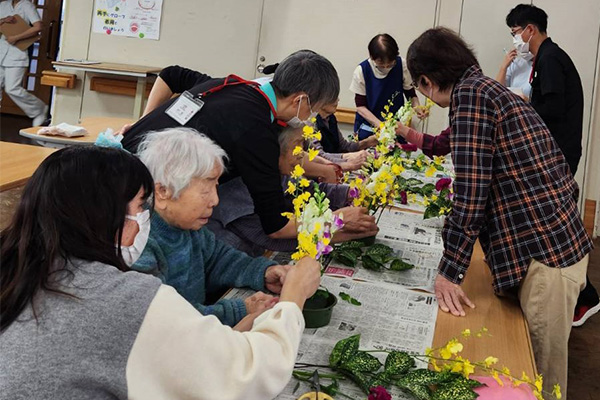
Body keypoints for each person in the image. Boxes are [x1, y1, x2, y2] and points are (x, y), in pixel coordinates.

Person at [0, 145, 321, 399]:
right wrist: (293, 298)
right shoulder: (123, 298)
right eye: (141, 206)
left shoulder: (21, 265)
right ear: (104, 215)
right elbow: (248, 377)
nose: (145, 217)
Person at [406, 27, 593, 396]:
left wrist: (449, 272)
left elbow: (471, 194)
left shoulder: (472, 97)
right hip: (549, 245)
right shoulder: (482, 90)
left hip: (548, 258)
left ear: (427, 80)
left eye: (419, 86)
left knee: (539, 381)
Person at [122, 51, 377, 246]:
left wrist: (144, 123)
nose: (311, 119)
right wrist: (336, 221)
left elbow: (172, 73)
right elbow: (276, 226)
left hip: (122, 161)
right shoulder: (257, 132)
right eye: (315, 110)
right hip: (137, 195)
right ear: (300, 100)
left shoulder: (233, 85)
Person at [132, 128, 292, 327]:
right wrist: (240, 310)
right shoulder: (137, 243)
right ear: (163, 191)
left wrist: (263, 272)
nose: (215, 200)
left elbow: (219, 259)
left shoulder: (190, 228)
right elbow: (167, 318)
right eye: (205, 190)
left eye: (216, 186)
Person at [505, 3, 599, 326]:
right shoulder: (546, 58)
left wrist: (525, 103)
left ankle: (586, 296)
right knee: (552, 226)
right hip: (555, 152)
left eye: (516, 33)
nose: (516, 39)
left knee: (557, 228)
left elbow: (554, 106)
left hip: (559, 154)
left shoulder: (550, 58)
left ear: (530, 29)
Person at [350, 33, 424, 140]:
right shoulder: (362, 70)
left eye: (390, 64)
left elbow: (410, 94)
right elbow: (360, 106)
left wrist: (418, 108)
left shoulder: (402, 65)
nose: (385, 67)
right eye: (381, 64)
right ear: (372, 57)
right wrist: (381, 126)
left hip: (395, 127)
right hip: (368, 128)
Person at [0, 0, 47, 126]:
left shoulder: (27, 5)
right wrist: (3, 20)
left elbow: (38, 27)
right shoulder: (3, 5)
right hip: (1, 50)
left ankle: (39, 110)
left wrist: (16, 37)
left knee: (12, 88)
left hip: (17, 53)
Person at [313, 98, 376, 169]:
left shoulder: (330, 118)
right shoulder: (311, 122)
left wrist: (367, 142)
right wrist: (347, 158)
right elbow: (319, 156)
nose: (338, 100)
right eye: (334, 97)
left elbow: (343, 146)